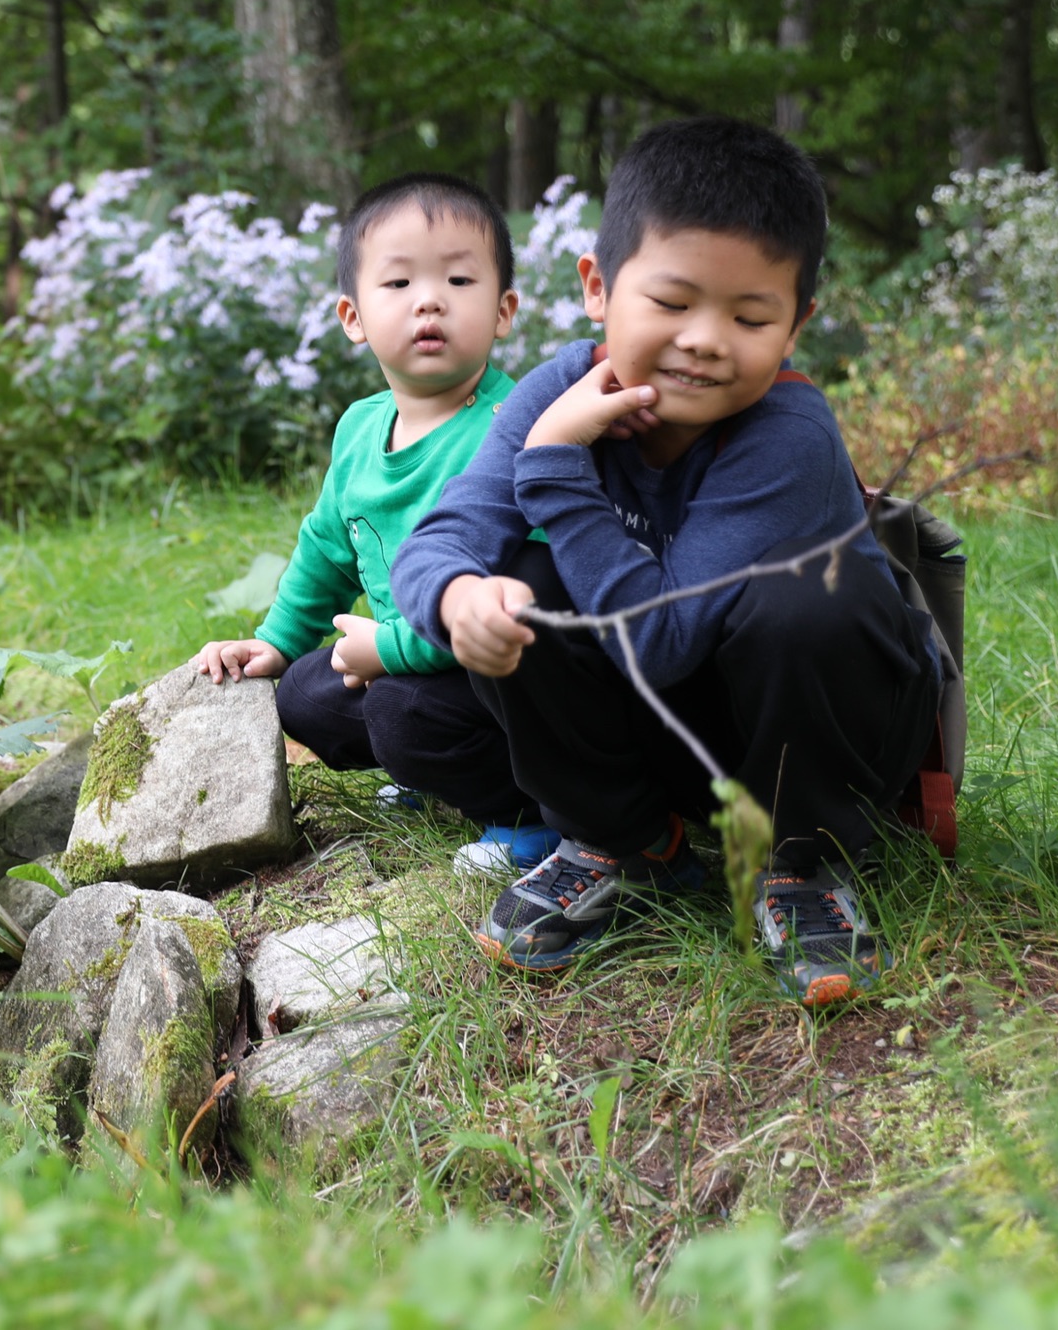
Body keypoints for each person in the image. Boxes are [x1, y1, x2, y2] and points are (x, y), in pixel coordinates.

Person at [391, 118, 942, 1006]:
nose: (706, 339)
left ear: (796, 322)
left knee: (803, 602)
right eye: (673, 303)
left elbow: (665, 640)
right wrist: (457, 597)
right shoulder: (557, 390)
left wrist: (557, 465)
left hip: (812, 730)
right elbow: (441, 538)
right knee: (517, 590)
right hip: (675, 733)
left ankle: (801, 864)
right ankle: (624, 839)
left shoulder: (787, 434)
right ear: (598, 289)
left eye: (750, 315)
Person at [191, 173, 560, 877]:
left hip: (498, 677)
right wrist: (272, 643)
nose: (429, 300)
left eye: (458, 280)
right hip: (404, 660)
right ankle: (436, 776)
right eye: (398, 285)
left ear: (504, 310)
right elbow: (328, 550)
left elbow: (532, 598)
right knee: (302, 692)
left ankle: (529, 817)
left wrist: (390, 650)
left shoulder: (514, 427)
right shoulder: (361, 429)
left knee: (400, 713)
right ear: (353, 317)